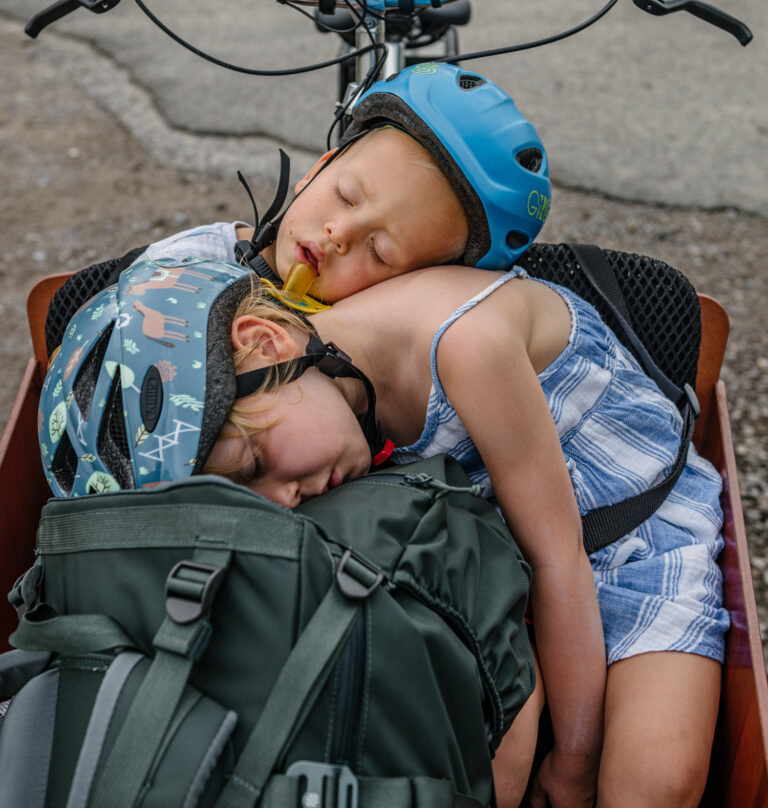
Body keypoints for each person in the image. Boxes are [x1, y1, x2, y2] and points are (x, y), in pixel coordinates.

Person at [39, 252, 728, 808]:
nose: (279, 502)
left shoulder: (463, 344)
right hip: (500, 558)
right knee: (493, 748)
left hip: (630, 541)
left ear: (266, 341)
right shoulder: (323, 411)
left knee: (650, 786)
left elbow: (561, 561)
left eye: (253, 464)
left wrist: (573, 765)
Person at [142, 61, 551, 303]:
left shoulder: (384, 344)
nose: (340, 233)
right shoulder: (190, 264)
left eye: (380, 252)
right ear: (316, 169)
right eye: (345, 196)